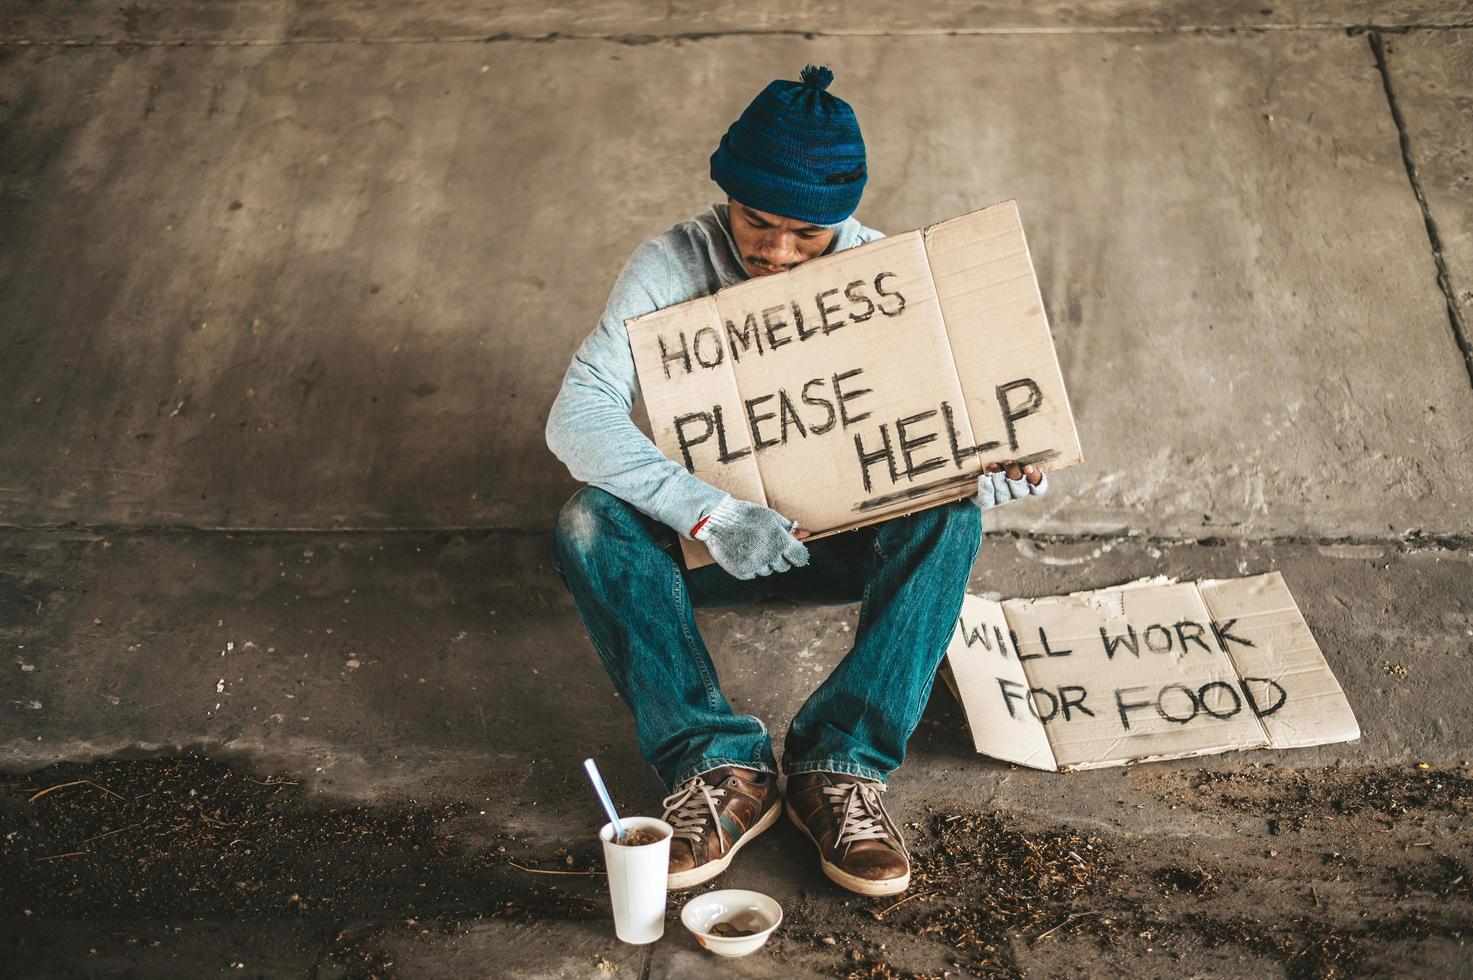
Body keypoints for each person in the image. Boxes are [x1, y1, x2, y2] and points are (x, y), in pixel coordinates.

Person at [546, 65, 1048, 897]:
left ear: (842, 218)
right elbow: (577, 416)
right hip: (707, 549)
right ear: (727, 195)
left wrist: (985, 471)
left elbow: (927, 454)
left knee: (951, 519)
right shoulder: (669, 262)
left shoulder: (887, 277)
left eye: (807, 234)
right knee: (586, 521)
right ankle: (718, 769)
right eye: (757, 221)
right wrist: (708, 515)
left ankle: (839, 768)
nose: (776, 253)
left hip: (839, 543)